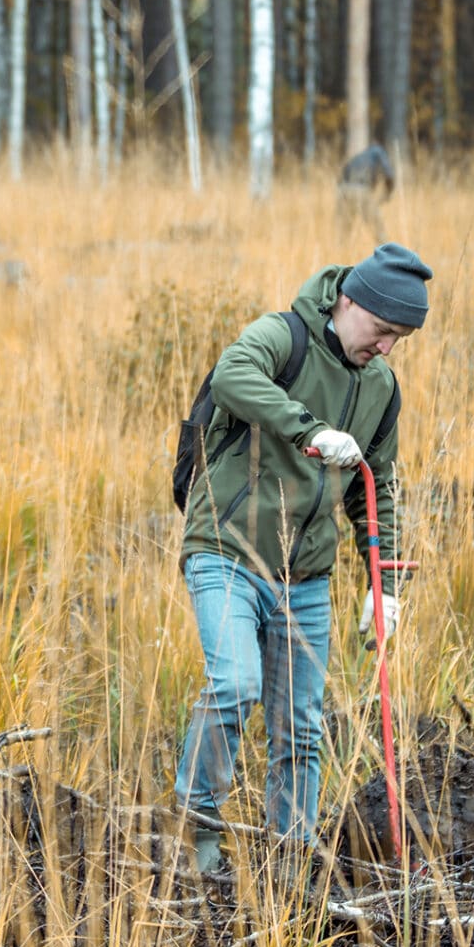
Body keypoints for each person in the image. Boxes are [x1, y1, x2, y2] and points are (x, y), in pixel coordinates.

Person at [175, 243, 432, 871]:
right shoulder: (280, 336)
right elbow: (233, 375)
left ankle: (289, 862)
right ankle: (196, 835)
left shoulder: (381, 387)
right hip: (227, 550)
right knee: (234, 685)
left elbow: (380, 487)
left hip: (306, 577)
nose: (387, 347)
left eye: (400, 338)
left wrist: (385, 585)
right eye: (382, 331)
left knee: (301, 728)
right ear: (349, 301)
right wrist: (309, 429)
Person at [335, 143, 396, 245]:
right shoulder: (379, 153)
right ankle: (386, 252)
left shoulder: (358, 157)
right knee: (377, 225)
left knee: (344, 228)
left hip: (342, 190)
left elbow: (341, 175)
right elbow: (389, 175)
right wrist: (388, 194)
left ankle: (340, 251)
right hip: (361, 189)